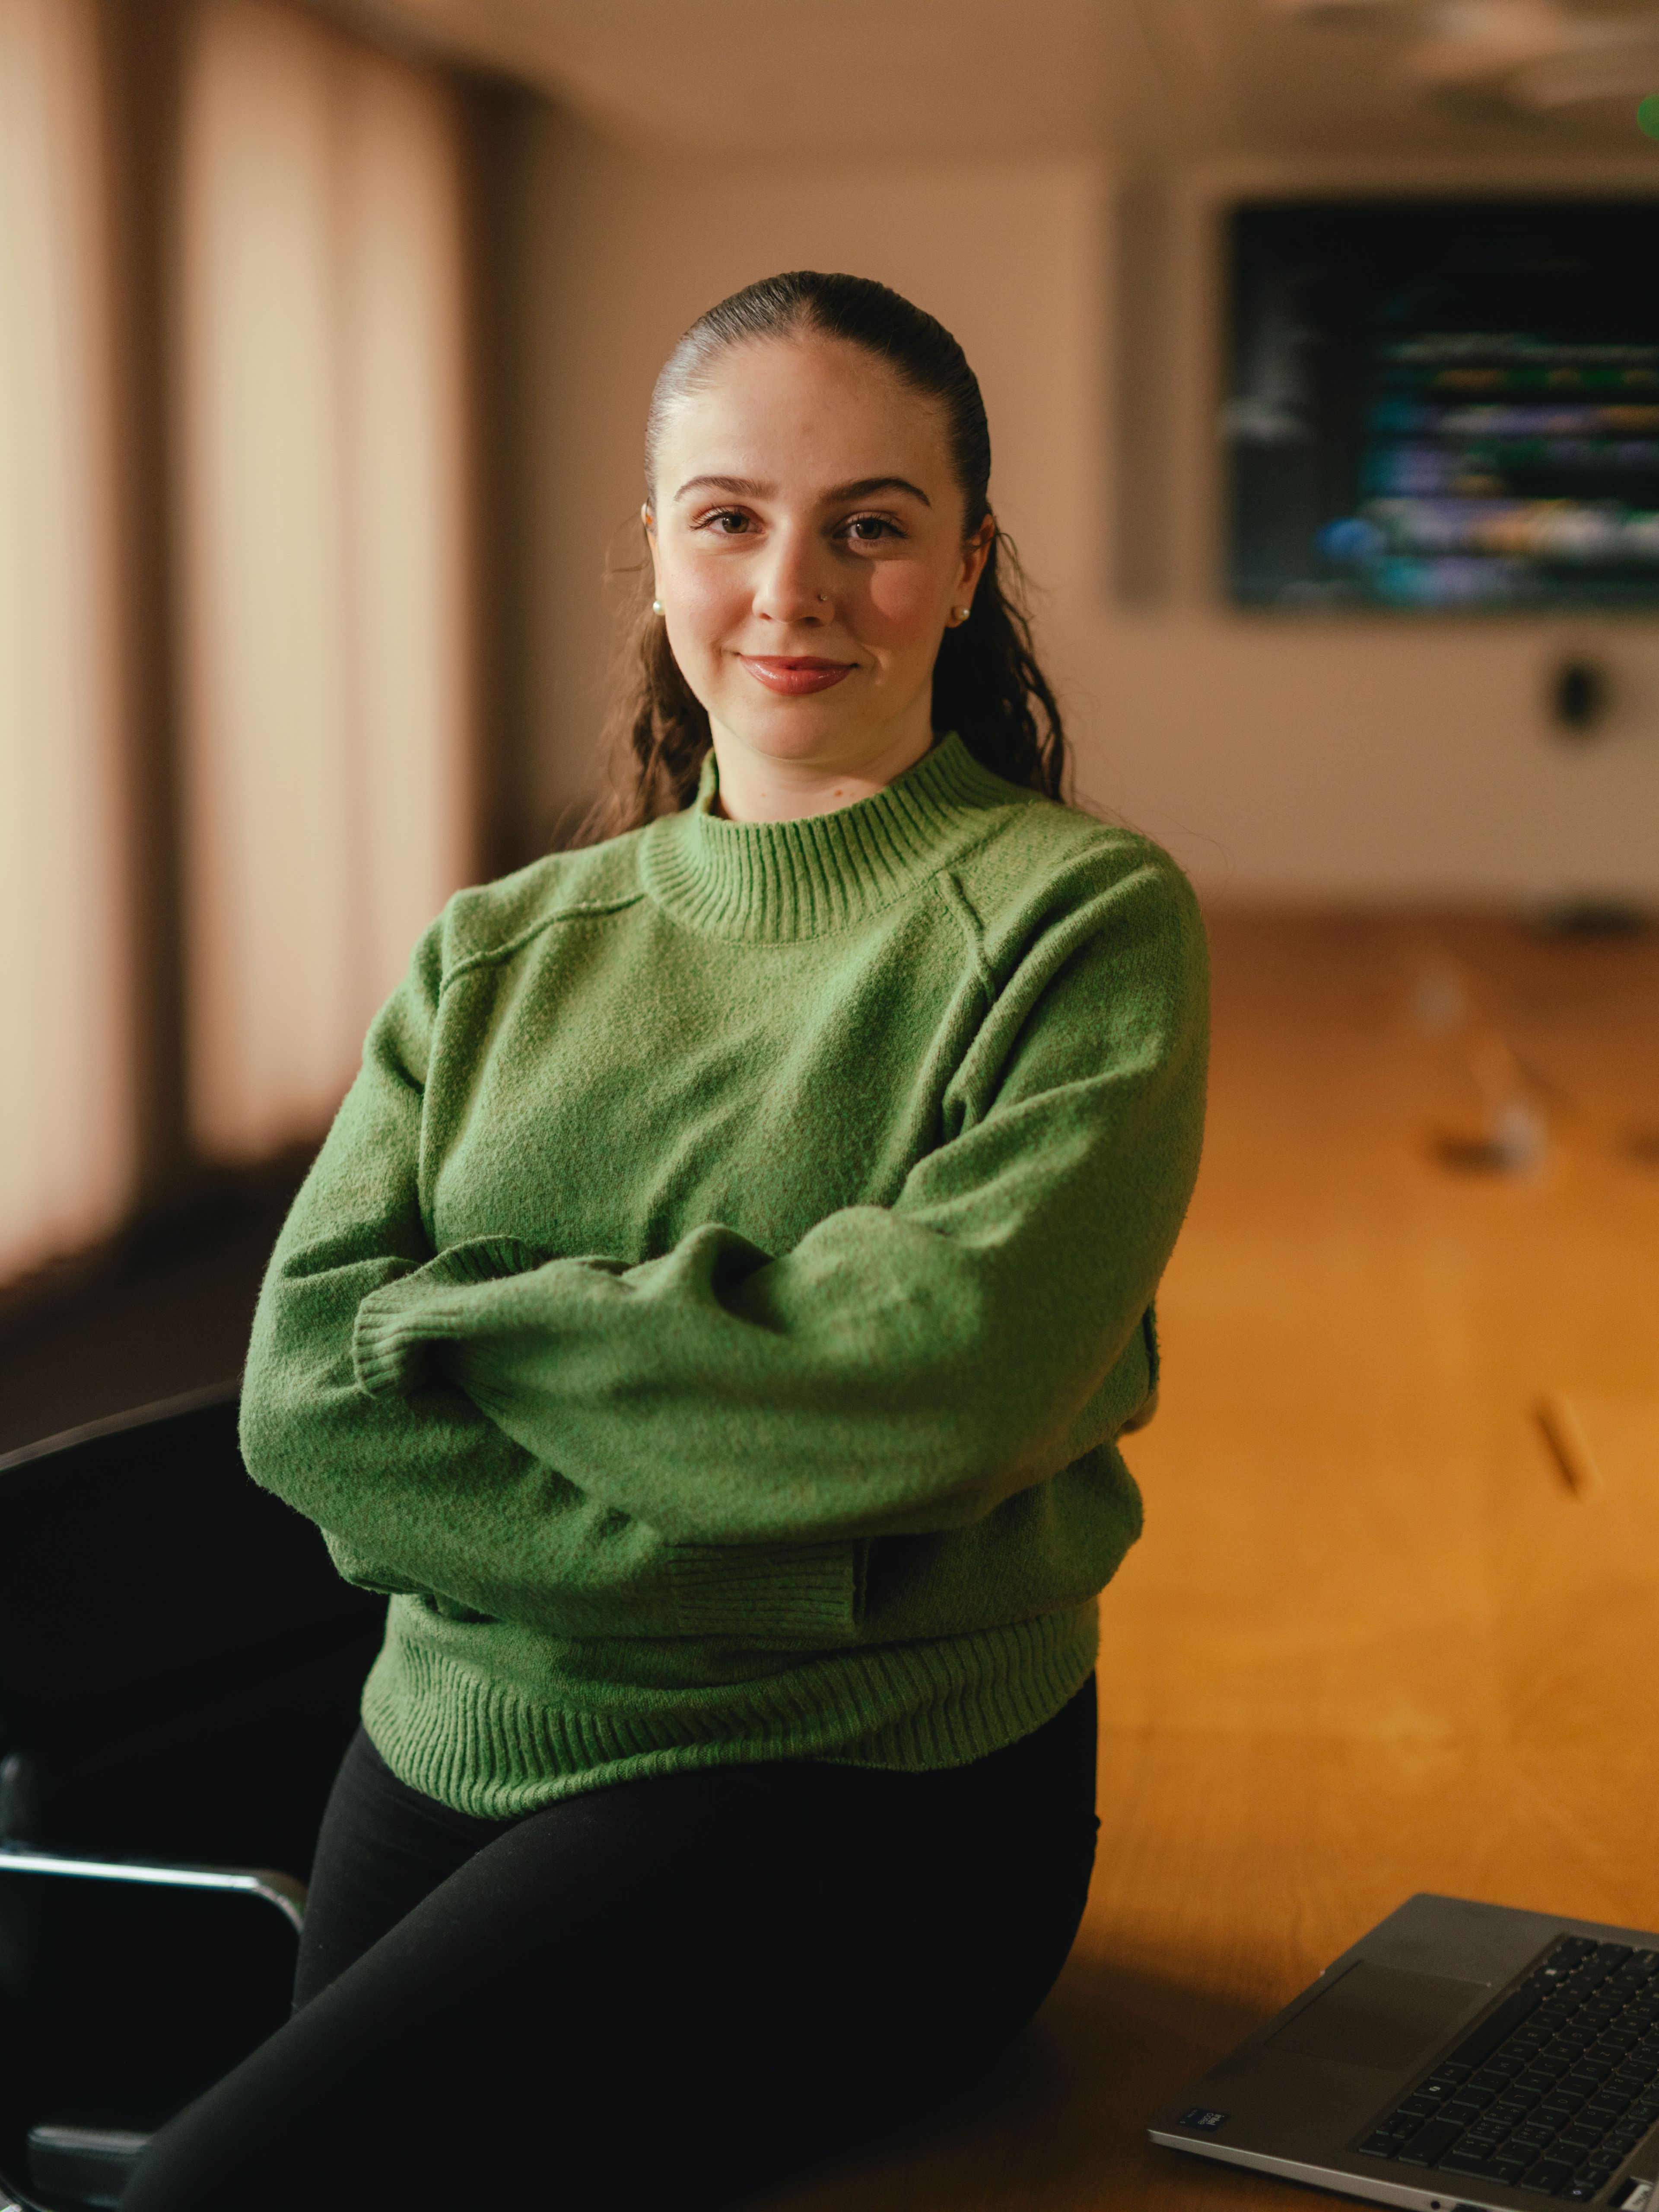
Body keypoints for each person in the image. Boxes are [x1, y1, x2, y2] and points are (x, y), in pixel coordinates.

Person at [121, 270, 1208, 2211]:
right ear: (656, 552)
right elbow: (305, 1399)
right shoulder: (496, 949)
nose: (792, 587)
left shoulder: (1081, 922)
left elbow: (940, 1379)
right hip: (446, 1735)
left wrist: (477, 1320)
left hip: (862, 1778)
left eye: (871, 524)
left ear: (966, 566)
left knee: (218, 2189)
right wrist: (791, 1511)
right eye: (730, 518)